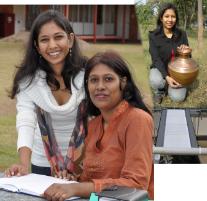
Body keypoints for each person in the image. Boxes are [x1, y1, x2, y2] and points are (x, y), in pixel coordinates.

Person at [43, 51, 154, 200]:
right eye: (94, 80)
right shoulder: (93, 125)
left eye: (108, 79)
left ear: (123, 82)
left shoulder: (138, 120)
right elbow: (92, 184)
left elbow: (136, 184)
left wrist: (76, 188)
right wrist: (72, 180)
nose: (100, 86)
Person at [4, 10, 87, 179]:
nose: (52, 45)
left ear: (70, 39)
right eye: (44, 40)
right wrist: (23, 165)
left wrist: (79, 164)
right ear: (36, 46)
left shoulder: (89, 74)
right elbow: (26, 120)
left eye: (58, 37)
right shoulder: (28, 80)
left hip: (85, 161)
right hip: (44, 162)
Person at [149, 3, 191, 103]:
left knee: (178, 98)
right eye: (166, 16)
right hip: (161, 68)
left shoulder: (182, 34)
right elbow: (156, 58)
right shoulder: (154, 35)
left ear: (176, 18)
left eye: (173, 17)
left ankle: (173, 86)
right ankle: (160, 91)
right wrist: (167, 77)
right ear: (161, 18)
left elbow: (188, 58)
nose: (170, 20)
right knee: (156, 80)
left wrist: (185, 52)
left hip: (177, 71)